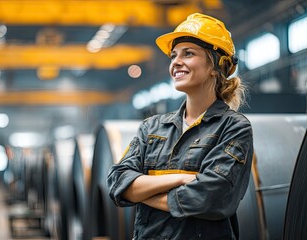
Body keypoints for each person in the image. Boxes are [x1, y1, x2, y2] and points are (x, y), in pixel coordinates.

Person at [107, 12, 254, 239]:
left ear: (215, 66)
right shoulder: (152, 128)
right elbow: (118, 183)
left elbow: (209, 198)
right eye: (174, 55)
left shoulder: (233, 128)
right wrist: (182, 178)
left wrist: (141, 192)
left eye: (188, 54)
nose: (176, 62)